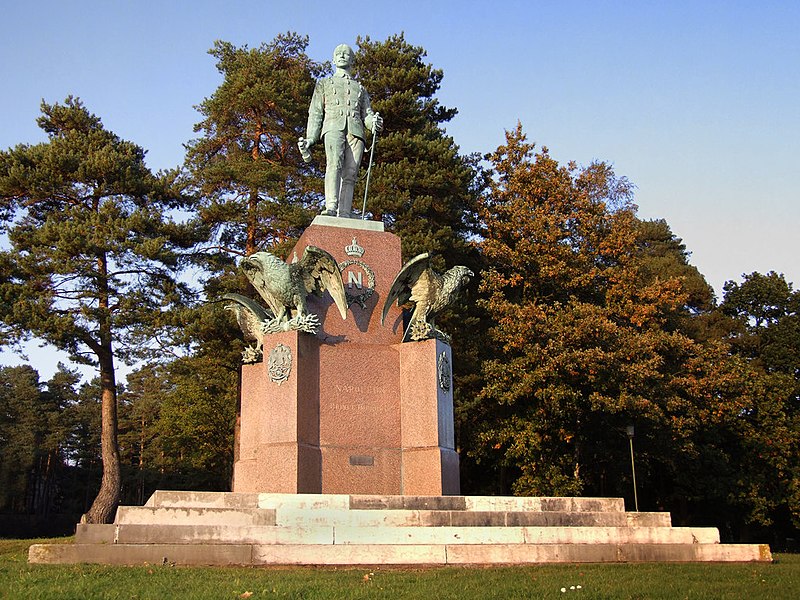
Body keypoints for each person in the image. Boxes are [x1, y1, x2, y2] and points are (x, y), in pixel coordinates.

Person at [298, 44, 383, 218]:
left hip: (356, 132)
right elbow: (315, 113)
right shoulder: (324, 84)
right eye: (338, 53)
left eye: (346, 54)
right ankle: (331, 207)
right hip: (333, 127)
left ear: (352, 60)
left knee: (351, 173)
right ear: (333, 59)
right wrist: (310, 139)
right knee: (334, 166)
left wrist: (373, 123)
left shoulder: (360, 88)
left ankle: (345, 212)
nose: (342, 56)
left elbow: (366, 114)